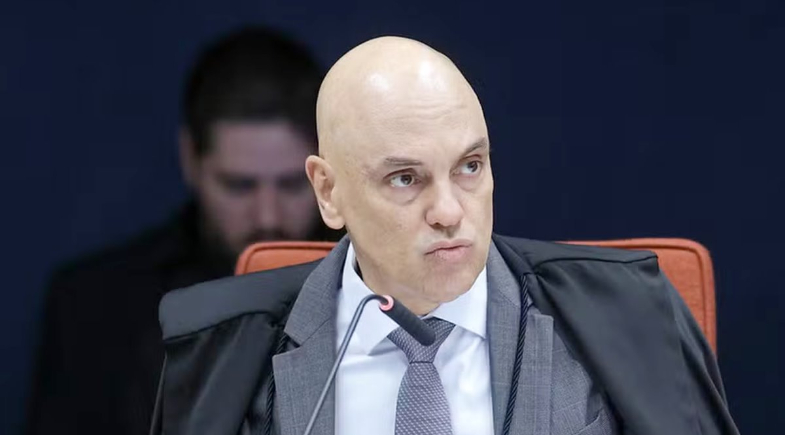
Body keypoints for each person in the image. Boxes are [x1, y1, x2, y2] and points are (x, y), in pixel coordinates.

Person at [151, 37, 739, 435]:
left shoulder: (629, 314)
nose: (449, 211)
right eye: (405, 178)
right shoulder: (224, 347)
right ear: (328, 192)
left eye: (470, 167)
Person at [26, 27, 339, 435]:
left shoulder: (386, 290)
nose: (267, 216)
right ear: (191, 159)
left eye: (293, 184)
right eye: (239, 186)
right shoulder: (94, 305)